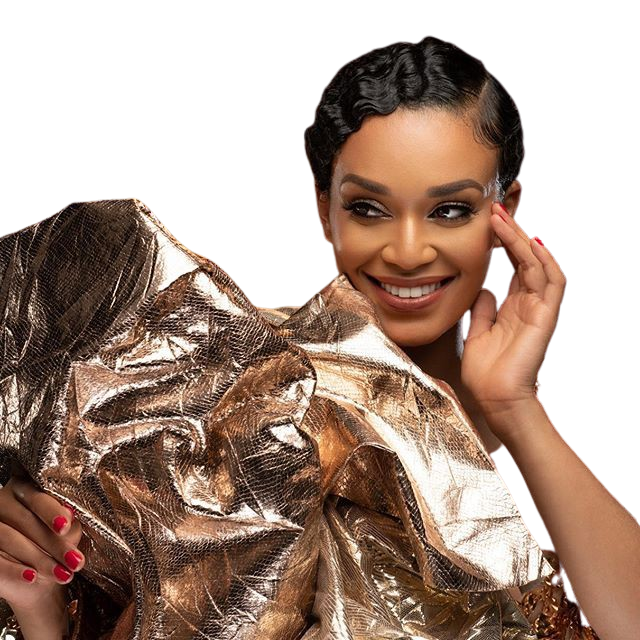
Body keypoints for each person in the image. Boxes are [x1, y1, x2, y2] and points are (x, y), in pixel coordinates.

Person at [1, 36, 638, 639]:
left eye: (449, 210)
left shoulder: (557, 429)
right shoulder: (233, 395)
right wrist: (44, 615)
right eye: (368, 208)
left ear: (507, 211)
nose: (408, 251)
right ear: (322, 210)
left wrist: (514, 407)